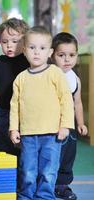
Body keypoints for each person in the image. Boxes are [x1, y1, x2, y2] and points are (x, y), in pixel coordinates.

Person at [9, 26, 75, 199]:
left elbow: (66, 100)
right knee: (28, 170)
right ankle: (26, 195)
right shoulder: (21, 78)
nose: (37, 52)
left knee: (49, 170)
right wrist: (14, 129)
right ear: (24, 51)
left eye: (42, 48)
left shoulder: (55, 73)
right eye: (32, 48)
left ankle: (45, 196)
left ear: (50, 52)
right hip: (28, 135)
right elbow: (14, 106)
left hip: (52, 134)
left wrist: (66, 125)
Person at [0, 18, 29, 155]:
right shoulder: (0, 61)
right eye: (5, 42)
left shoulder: (28, 61)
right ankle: (1, 171)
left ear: (25, 42)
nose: (9, 46)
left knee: (20, 146)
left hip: (21, 112)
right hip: (1, 110)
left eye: (15, 42)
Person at [51, 32, 88, 200]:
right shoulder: (48, 74)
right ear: (52, 55)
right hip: (49, 124)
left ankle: (62, 185)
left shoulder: (75, 79)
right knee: (49, 155)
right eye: (61, 55)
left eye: (72, 55)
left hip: (69, 125)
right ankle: (44, 183)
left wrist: (80, 122)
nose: (67, 60)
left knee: (67, 156)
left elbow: (77, 102)